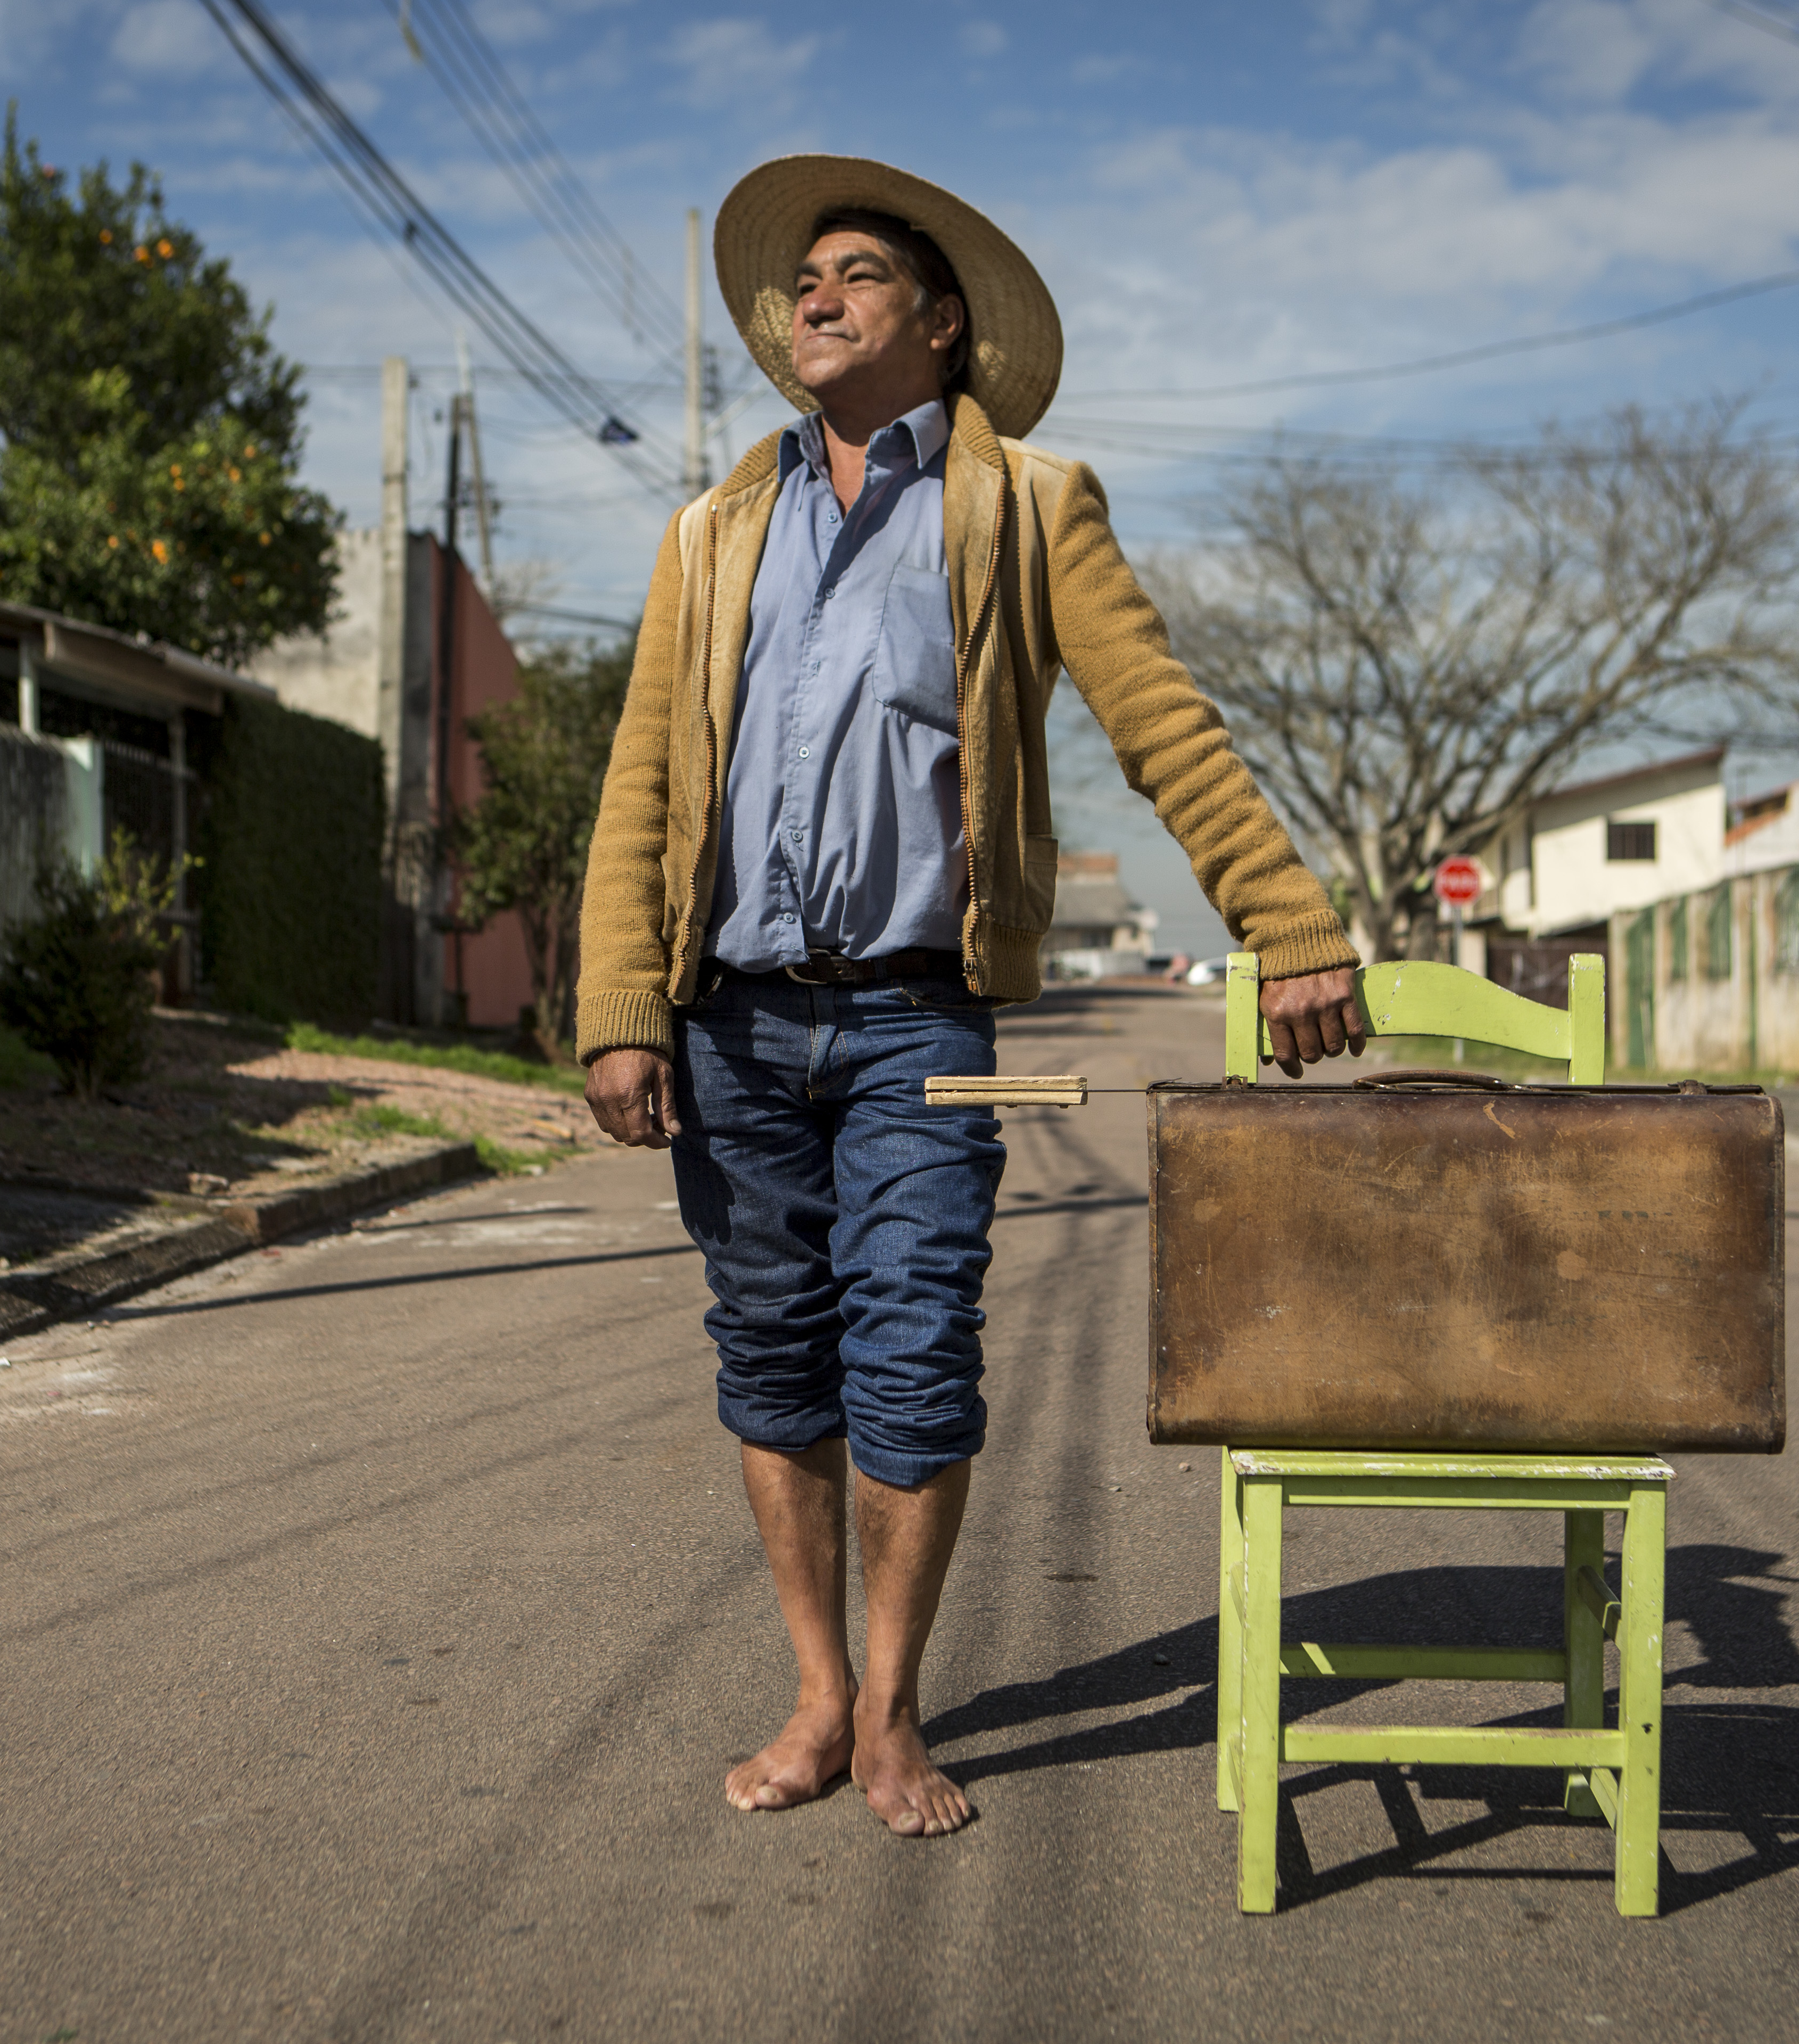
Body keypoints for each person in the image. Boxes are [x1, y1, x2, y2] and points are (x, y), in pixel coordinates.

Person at [575, 156, 1368, 1837]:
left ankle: (895, 1709)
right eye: (801, 278)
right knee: (772, 1359)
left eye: (854, 273)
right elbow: (645, 772)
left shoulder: (1020, 507)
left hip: (920, 1020)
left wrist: (1286, 917)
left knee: (917, 1350)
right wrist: (618, 1001)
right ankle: (815, 1692)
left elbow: (1161, 718)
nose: (814, 295)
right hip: (727, 1017)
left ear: (939, 324)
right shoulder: (715, 529)